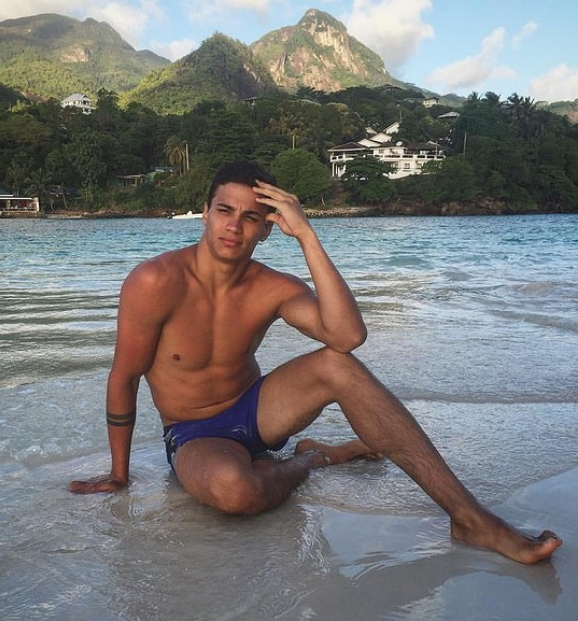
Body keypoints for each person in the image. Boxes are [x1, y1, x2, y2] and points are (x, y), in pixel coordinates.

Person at [70, 160, 561, 565]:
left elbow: (347, 337)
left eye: (251, 218)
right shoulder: (155, 281)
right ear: (205, 214)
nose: (234, 226)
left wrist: (307, 235)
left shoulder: (272, 287)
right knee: (236, 493)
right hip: (195, 431)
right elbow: (124, 377)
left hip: (258, 411)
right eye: (225, 211)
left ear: (267, 230)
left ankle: (469, 518)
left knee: (337, 364)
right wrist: (119, 473)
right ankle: (312, 458)